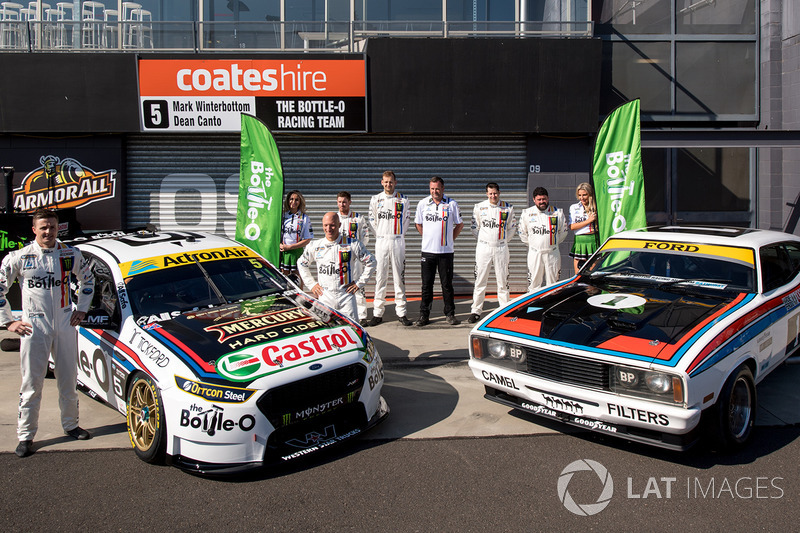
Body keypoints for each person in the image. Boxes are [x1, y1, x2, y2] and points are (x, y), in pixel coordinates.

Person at [0, 208, 95, 458]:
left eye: (52, 227)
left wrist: (82, 310)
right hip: (34, 327)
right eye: (43, 227)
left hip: (65, 323)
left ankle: (71, 424)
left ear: (57, 228)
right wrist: (8, 322)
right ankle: (25, 436)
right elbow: (0, 288)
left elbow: (88, 279)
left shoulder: (69, 253)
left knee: (69, 379)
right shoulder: (19, 257)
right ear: (34, 229)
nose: (48, 231)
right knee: (32, 383)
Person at [298, 212, 376, 323]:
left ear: (339, 225)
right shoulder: (315, 246)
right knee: (327, 333)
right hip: (325, 297)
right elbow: (301, 263)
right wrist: (311, 284)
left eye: (332, 225)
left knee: (352, 331)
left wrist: (359, 283)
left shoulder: (352, 244)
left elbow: (371, 262)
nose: (329, 228)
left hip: (346, 297)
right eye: (326, 225)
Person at [414, 176, 464, 326]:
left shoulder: (452, 204)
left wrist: (449, 239)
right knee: (426, 285)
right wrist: (428, 238)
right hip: (428, 252)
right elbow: (418, 223)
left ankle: (450, 314)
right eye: (432, 189)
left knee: (447, 285)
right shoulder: (423, 203)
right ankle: (424, 315)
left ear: (443, 188)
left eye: (437, 189)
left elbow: (459, 225)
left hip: (446, 252)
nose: (434, 192)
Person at [468, 182, 516, 324]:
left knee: (503, 281)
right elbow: (474, 227)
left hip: (501, 248)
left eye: (495, 193)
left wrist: (501, 240)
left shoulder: (508, 208)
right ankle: (476, 310)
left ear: (499, 193)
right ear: (486, 194)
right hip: (483, 248)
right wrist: (484, 239)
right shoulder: (479, 207)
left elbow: (512, 229)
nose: (493, 196)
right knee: (480, 280)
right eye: (490, 193)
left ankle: (504, 309)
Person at [368, 170, 412, 327]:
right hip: (381, 242)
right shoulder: (375, 199)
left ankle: (401, 312)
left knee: (399, 278)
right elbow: (372, 220)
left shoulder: (404, 200)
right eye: (386, 182)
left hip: (397, 241)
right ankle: (377, 313)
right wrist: (380, 235)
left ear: (395, 182)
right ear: (382, 182)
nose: (388, 184)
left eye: (391, 182)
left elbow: (406, 221)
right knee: (380, 278)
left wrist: (398, 234)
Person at [518, 186, 568, 292]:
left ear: (548, 198)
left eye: (544, 199)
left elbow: (563, 232)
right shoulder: (527, 213)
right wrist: (534, 244)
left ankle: (551, 307)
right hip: (535, 253)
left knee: (554, 286)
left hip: (553, 253)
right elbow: (522, 233)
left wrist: (552, 244)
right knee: (534, 284)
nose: (542, 202)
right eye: (539, 199)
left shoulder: (557, 212)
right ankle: (534, 307)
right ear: (534, 200)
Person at [336, 191, 371, 326]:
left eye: (344, 202)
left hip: (355, 259)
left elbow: (365, 236)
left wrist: (358, 252)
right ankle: (343, 314)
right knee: (341, 286)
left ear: (350, 202)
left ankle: (362, 315)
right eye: (339, 202)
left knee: (358, 285)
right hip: (340, 259)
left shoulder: (358, 218)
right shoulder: (335, 217)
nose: (342, 204)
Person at [279, 190, 313, 286]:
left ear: (300, 202)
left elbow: (307, 239)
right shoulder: (282, 216)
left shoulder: (305, 218)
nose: (293, 202)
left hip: (297, 252)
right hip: (284, 253)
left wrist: (291, 247)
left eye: (296, 200)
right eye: (291, 199)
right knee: (284, 279)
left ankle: (299, 299)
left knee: (298, 279)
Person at [569, 182, 598, 273]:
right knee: (578, 273)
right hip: (580, 240)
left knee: (592, 272)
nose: (582, 198)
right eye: (579, 195)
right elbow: (572, 226)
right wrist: (589, 220)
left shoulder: (596, 206)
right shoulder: (574, 207)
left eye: (584, 195)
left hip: (593, 240)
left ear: (590, 194)